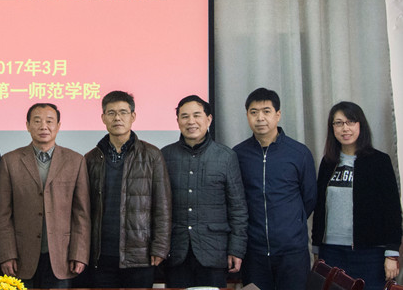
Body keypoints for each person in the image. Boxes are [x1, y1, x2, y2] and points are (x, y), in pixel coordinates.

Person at [0, 103, 91, 288]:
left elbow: (82, 213)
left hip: (62, 256)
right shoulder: (10, 161)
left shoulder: (75, 161)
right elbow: (3, 214)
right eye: (37, 121)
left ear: (58, 126)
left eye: (49, 121)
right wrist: (7, 254)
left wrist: (79, 253)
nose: (43, 126)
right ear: (28, 125)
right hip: (21, 256)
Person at [84, 90, 171, 288]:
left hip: (139, 254)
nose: (117, 118)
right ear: (103, 118)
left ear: (133, 116)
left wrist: (160, 247)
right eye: (111, 113)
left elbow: (163, 206)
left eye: (123, 112)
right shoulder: (91, 158)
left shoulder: (152, 155)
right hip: (101, 255)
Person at [233, 87, 317, 290]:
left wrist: (290, 224)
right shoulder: (238, 154)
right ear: (247, 115)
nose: (260, 118)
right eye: (254, 112)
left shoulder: (299, 153)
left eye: (266, 111)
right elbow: (235, 200)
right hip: (254, 252)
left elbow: (309, 198)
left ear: (278, 115)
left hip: (292, 252)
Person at [311, 101, 402, 288]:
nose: (345, 128)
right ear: (332, 128)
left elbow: (392, 210)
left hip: (370, 253)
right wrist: (316, 247)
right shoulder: (328, 162)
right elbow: (319, 207)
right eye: (338, 123)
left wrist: (392, 253)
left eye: (350, 122)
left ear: (361, 125)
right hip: (332, 252)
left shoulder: (379, 161)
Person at [161, 95, 248, 288]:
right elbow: (158, 208)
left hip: (214, 252)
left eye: (196, 115)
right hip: (176, 252)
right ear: (178, 121)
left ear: (208, 119)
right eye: (184, 116)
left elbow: (238, 208)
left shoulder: (226, 157)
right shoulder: (165, 156)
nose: (190, 121)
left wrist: (236, 249)